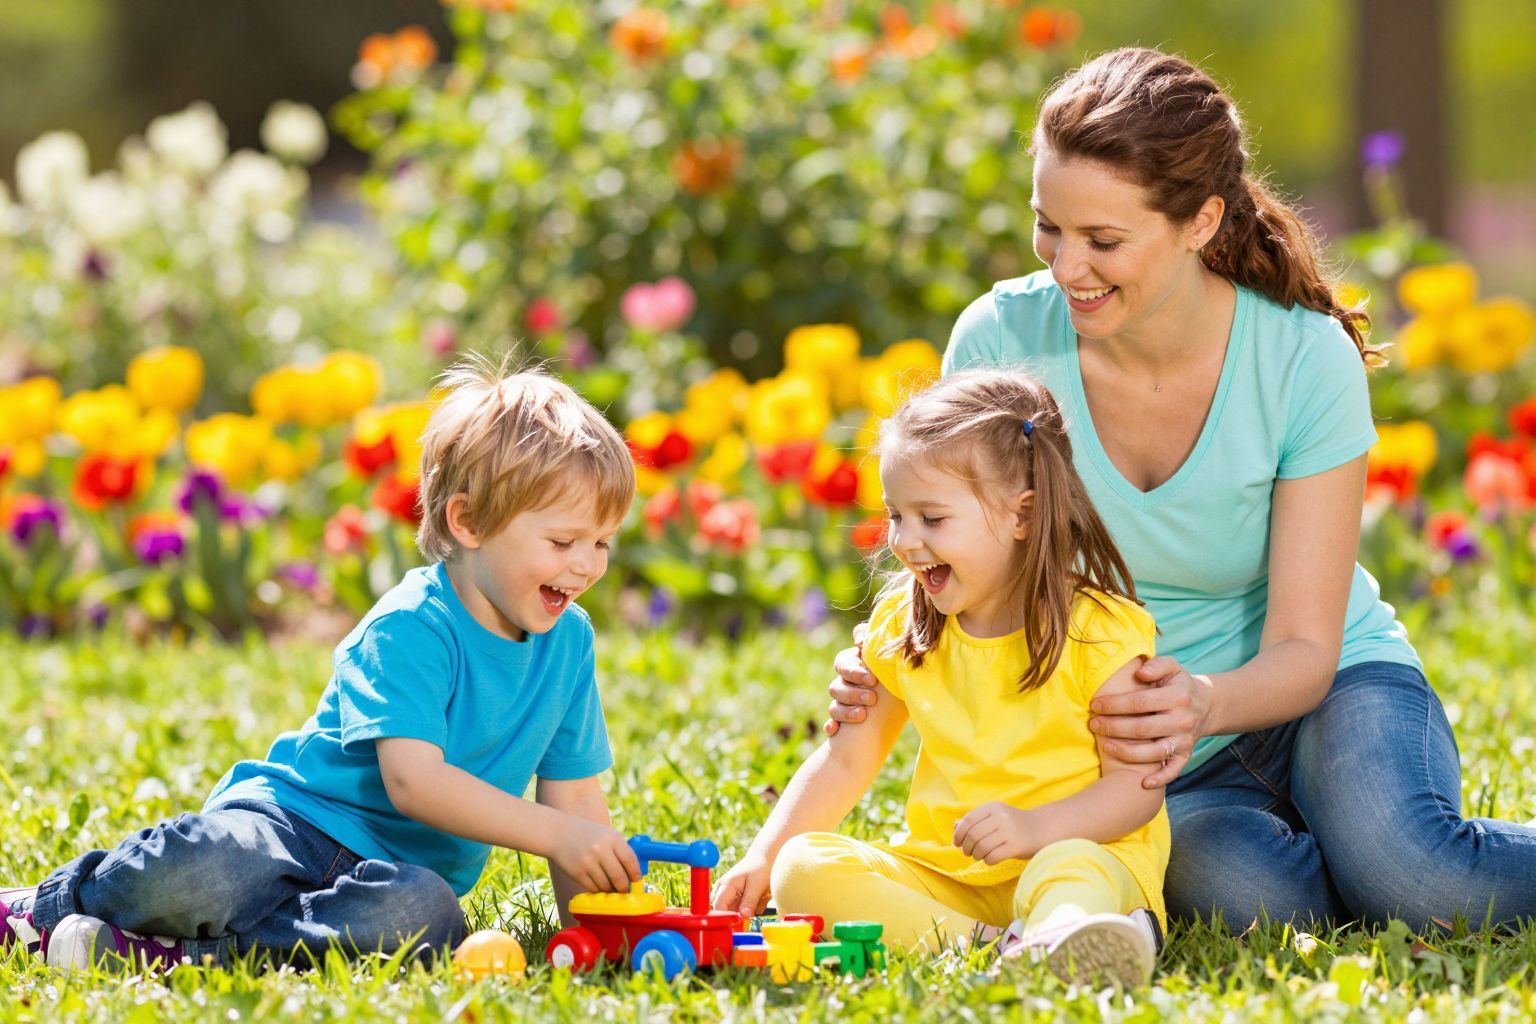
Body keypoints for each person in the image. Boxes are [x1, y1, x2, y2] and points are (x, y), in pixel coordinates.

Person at [825, 47, 1536, 931]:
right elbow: (967, 548)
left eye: (1104, 241)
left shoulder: (1300, 356)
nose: (1066, 267)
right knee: (1246, 900)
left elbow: (1308, 647)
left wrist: (1202, 699)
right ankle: (1335, 857)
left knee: (1418, 876)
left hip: (1325, 686)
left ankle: (1369, 850)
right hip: (1144, 751)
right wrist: (889, 654)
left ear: (1201, 221)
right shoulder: (1001, 339)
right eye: (1049, 227)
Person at [1, 359, 643, 970]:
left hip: (395, 874)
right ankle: (46, 910)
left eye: (601, 543)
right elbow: (415, 783)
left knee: (427, 917)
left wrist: (605, 934)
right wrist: (555, 834)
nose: (587, 565)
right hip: (291, 827)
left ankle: (170, 955)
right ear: (468, 521)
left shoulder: (569, 644)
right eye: (563, 542)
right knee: (208, 872)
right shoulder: (413, 624)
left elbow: (576, 800)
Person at [713, 369, 1169, 987]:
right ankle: (1002, 948)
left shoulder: (1100, 631)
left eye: (932, 518)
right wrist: (763, 857)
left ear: (1022, 516)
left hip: (1078, 852)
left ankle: (1064, 927)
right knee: (805, 866)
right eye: (896, 515)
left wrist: (1033, 829)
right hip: (951, 876)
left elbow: (1136, 791)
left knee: (1070, 869)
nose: (905, 541)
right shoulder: (906, 621)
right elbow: (846, 762)